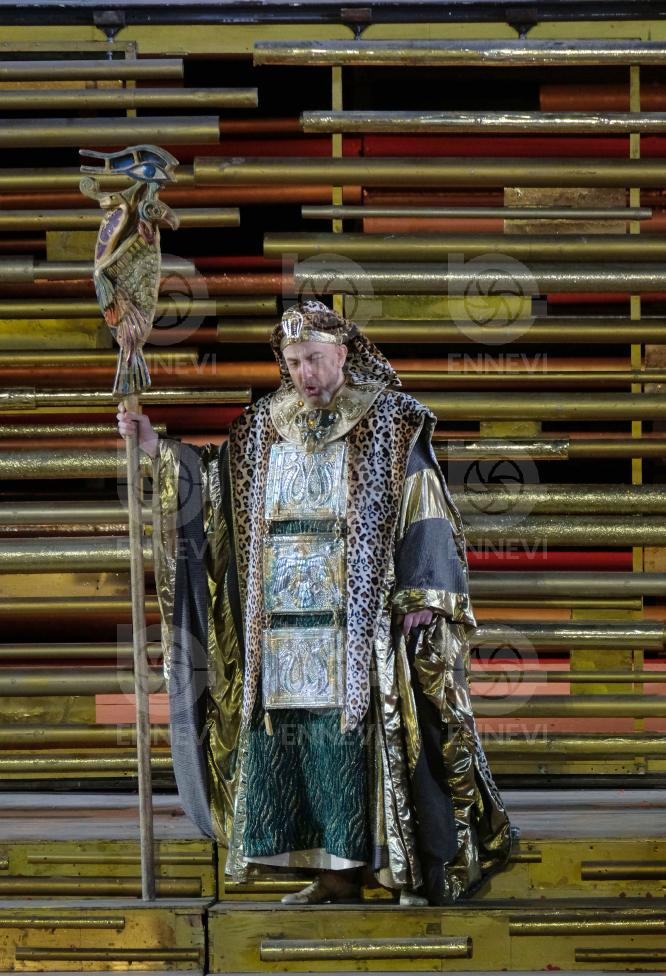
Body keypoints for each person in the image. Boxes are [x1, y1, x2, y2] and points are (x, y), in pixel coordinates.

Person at [117, 298, 512, 905]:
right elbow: (215, 485)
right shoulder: (262, 426)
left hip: (359, 624)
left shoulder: (391, 420)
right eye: (295, 362)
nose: (305, 373)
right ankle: (331, 876)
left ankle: (399, 872)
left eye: (316, 359)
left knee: (371, 744)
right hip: (278, 631)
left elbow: (425, 501)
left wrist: (425, 589)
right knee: (302, 752)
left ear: (342, 355)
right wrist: (156, 450)